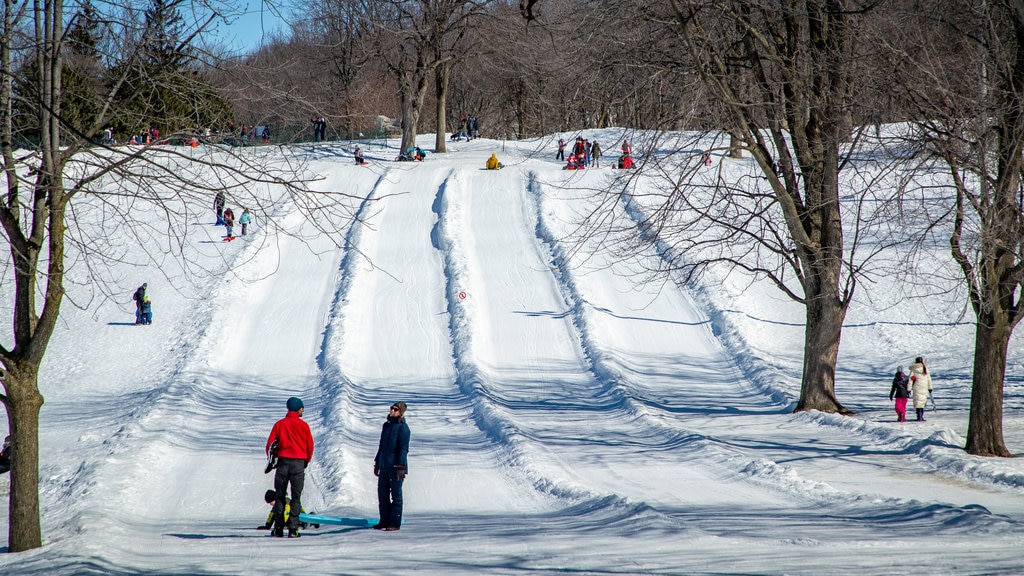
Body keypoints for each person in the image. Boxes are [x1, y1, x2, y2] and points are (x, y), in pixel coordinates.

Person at [266, 397, 314, 537]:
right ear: (299, 409)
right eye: (302, 408)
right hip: (298, 463)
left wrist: (272, 460)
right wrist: (306, 461)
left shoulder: (279, 424)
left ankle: (278, 528)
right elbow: (309, 446)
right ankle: (293, 529)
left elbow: (270, 445)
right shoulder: (304, 425)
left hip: (283, 463)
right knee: (296, 497)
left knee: (280, 496)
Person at [373, 401, 410, 531]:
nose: (392, 411)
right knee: (382, 494)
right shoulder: (386, 426)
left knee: (396, 495)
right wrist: (377, 462)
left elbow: (403, 448)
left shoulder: (403, 428)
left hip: (396, 466)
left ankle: (394, 523)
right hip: (384, 464)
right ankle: (384, 520)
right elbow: (381, 446)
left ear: (400, 412)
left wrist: (401, 466)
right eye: (391, 408)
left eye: (395, 409)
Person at [908, 357, 932, 421]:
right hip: (924, 387)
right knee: (922, 401)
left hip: (917, 386)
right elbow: (929, 379)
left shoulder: (913, 369)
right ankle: (921, 416)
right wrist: (930, 388)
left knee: (917, 401)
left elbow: (910, 380)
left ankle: (919, 416)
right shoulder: (925, 368)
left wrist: (909, 389)